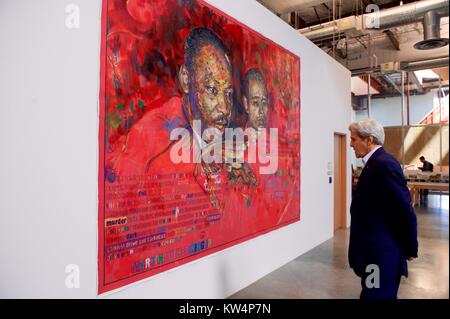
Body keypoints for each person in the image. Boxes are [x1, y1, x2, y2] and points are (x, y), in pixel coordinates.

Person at [348, 118, 418, 299]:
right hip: (373, 254)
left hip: (379, 256)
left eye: (354, 139)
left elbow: (403, 211)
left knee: (375, 296)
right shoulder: (374, 163)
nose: (350, 144)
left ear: (369, 140)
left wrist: (410, 246)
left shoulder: (383, 165)